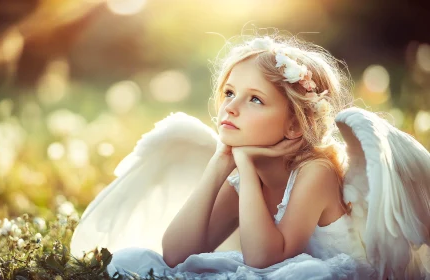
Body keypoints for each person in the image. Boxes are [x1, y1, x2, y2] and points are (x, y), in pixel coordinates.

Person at [71, 31, 430, 279]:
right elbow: (176, 253)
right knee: (137, 261)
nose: (231, 107)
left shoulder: (317, 171)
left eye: (254, 99)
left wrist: (240, 159)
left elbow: (263, 260)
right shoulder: (246, 173)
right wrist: (218, 164)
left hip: (326, 275)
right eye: (229, 92)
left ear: (294, 125)